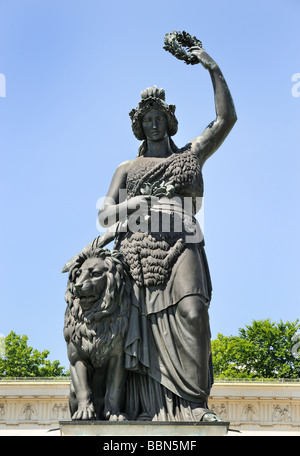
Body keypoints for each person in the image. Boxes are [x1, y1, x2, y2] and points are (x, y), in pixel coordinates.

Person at [98, 45, 237, 421]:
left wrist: (211, 65)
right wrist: (136, 204)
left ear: (169, 121)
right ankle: (147, 407)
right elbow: (104, 214)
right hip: (138, 254)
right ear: (139, 126)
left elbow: (226, 118)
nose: (153, 124)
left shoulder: (190, 155)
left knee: (194, 313)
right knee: (141, 327)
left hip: (182, 245)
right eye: (147, 120)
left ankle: (193, 405)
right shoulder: (128, 167)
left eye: (159, 118)